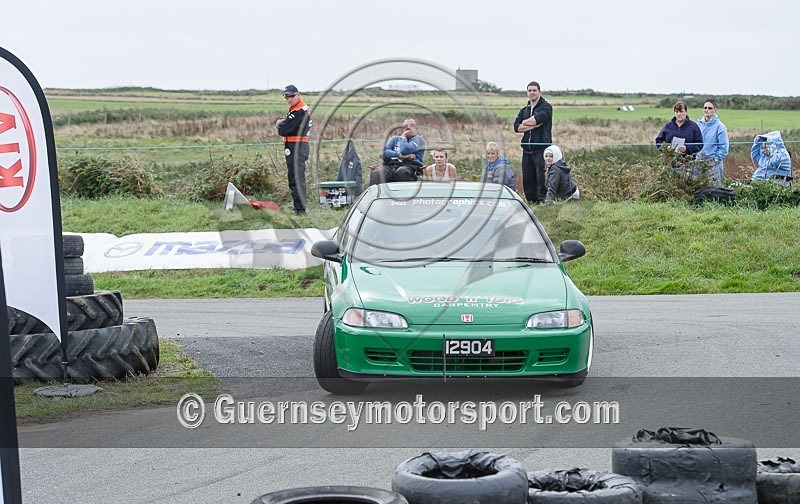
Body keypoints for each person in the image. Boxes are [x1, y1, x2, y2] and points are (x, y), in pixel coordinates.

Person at [513, 81, 553, 203]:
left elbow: (538, 119)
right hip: (527, 149)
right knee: (527, 177)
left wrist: (525, 122)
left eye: (534, 90)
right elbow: (517, 127)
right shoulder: (524, 110)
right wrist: (532, 125)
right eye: (529, 90)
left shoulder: (546, 107)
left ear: (539, 92)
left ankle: (542, 202)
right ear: (527, 92)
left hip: (541, 148)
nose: (532, 93)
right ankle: (531, 203)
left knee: (541, 177)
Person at [276, 84, 311, 215]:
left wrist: (280, 123)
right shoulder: (296, 109)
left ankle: (300, 209)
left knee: (296, 178)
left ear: (298, 95)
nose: (289, 99)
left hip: (297, 147)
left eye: (291, 96)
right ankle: (298, 205)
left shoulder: (299, 111)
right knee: (295, 177)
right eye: (286, 96)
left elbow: (283, 129)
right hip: (295, 146)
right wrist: (283, 123)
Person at [369, 118, 426, 185]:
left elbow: (405, 150)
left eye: (411, 125)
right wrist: (401, 156)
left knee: (402, 172)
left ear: (416, 128)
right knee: (377, 173)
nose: (408, 127)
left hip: (409, 166)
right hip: (391, 165)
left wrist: (403, 137)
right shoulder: (394, 139)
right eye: (406, 125)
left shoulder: (418, 140)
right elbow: (383, 153)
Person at [655, 101, 703, 165]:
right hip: (669, 164)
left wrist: (686, 148)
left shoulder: (693, 126)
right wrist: (666, 148)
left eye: (681, 111)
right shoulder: (668, 126)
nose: (679, 114)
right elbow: (658, 141)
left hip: (687, 164)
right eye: (676, 112)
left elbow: (699, 144)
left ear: (686, 112)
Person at [696, 99, 729, 186]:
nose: (707, 110)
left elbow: (724, 147)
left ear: (715, 110)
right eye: (705, 108)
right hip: (697, 163)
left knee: (714, 189)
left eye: (710, 108)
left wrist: (715, 160)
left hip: (713, 165)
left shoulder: (720, 127)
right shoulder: (698, 125)